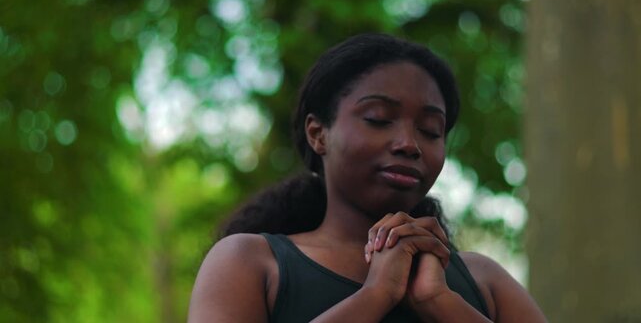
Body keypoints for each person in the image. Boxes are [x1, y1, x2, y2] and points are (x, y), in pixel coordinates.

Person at [188, 33, 547, 322]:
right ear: (318, 134)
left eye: (430, 130)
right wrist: (374, 296)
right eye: (377, 119)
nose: (409, 144)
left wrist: (440, 302)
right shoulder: (250, 263)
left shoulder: (484, 282)